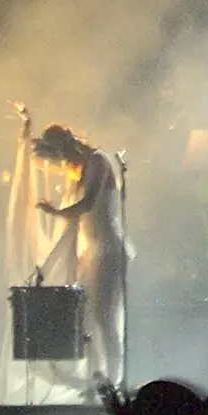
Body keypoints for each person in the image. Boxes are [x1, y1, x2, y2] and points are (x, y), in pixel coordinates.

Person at [31, 122, 128, 389]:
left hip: (107, 249)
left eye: (63, 156)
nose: (64, 164)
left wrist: (55, 213)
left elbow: (87, 204)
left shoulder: (98, 161)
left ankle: (115, 379)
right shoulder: (82, 168)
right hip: (91, 250)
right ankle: (97, 377)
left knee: (104, 317)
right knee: (87, 318)